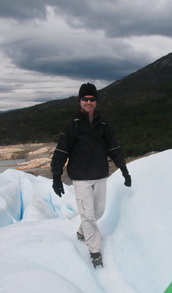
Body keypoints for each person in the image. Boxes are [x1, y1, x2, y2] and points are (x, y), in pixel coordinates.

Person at [50, 83, 131, 268]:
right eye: (85, 99)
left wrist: (124, 170)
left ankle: (82, 232)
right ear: (80, 101)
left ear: (96, 101)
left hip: (100, 174)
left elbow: (114, 149)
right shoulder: (73, 124)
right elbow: (62, 150)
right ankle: (95, 250)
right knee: (88, 215)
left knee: (98, 211)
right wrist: (56, 176)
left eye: (92, 99)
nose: (88, 102)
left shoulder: (103, 124)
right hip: (80, 177)